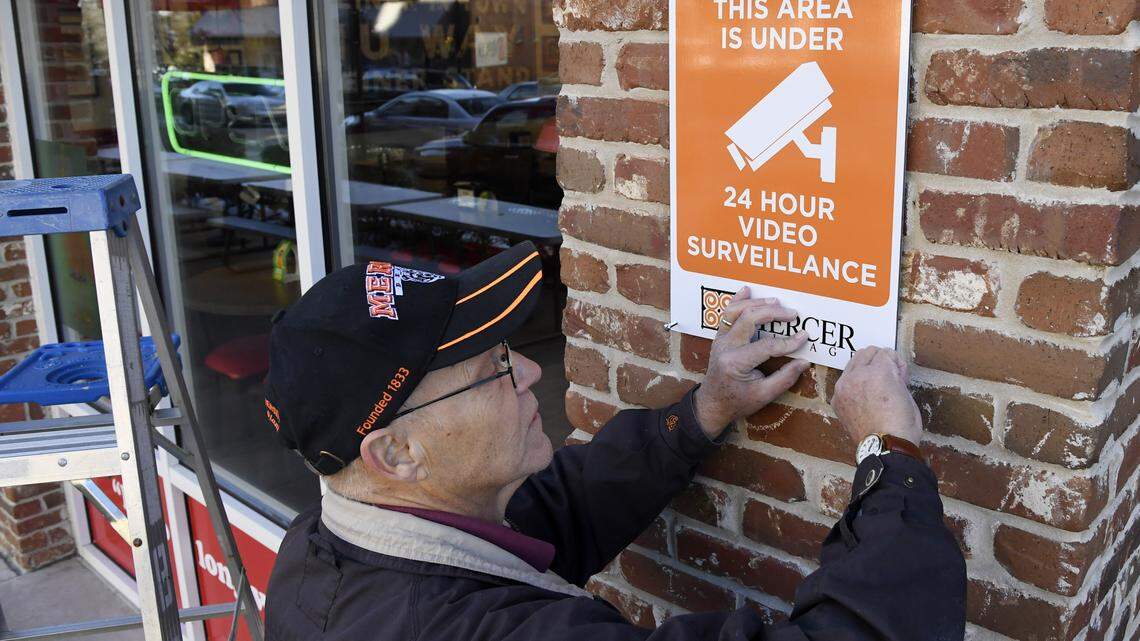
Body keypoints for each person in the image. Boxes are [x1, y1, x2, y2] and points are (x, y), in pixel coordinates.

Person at [262, 241, 966, 641]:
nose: (532, 369)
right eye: (494, 369)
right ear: (396, 452)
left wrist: (703, 411)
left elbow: (557, 510)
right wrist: (889, 458)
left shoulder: (335, 542)